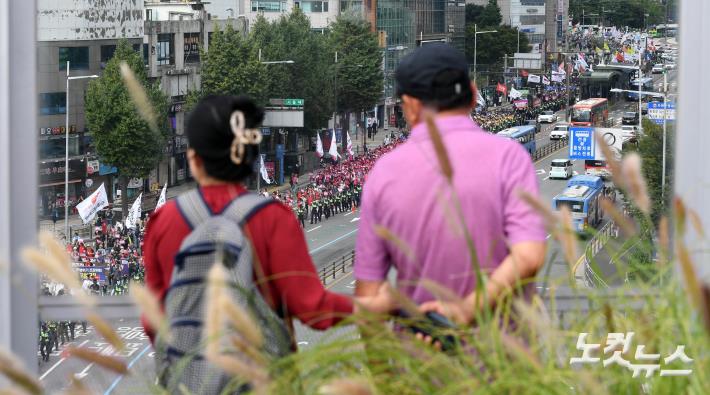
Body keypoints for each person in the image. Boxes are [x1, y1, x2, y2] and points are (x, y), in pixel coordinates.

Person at [143, 96, 392, 387]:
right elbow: (313, 307)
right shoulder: (274, 218)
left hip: (189, 383)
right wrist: (372, 307)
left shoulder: (163, 221)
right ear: (250, 158)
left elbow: (153, 319)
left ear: (194, 159)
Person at [353, 43, 546, 325]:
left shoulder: (383, 173)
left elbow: (368, 299)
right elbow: (529, 255)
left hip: (418, 357)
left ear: (410, 106)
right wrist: (469, 308)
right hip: (504, 361)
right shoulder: (510, 157)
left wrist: (384, 368)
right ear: (473, 94)